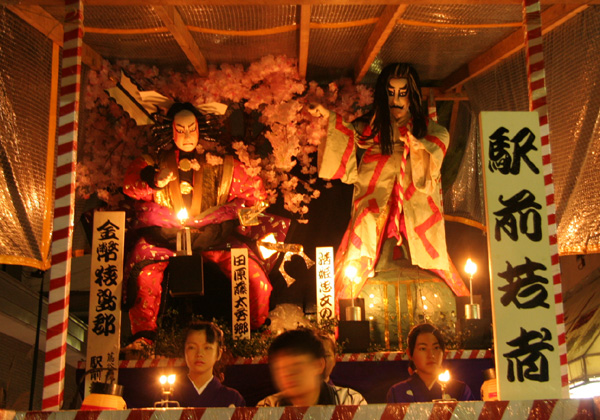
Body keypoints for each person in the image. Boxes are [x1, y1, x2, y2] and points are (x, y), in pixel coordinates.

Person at [122, 102, 287, 349]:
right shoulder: (153, 162)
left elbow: (257, 193)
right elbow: (130, 185)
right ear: (170, 130)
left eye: (192, 129)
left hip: (214, 234)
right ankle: (143, 337)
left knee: (252, 273)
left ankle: (254, 333)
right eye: (180, 130)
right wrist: (153, 180)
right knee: (143, 275)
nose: (187, 136)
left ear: (200, 129)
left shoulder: (222, 163)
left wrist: (240, 215)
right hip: (164, 235)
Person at [310, 63, 467, 301]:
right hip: (376, 191)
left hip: (414, 198)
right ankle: (341, 304)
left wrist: (419, 147)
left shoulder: (427, 129)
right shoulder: (374, 127)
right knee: (363, 234)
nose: (396, 100)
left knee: (430, 247)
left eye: (402, 94)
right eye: (391, 93)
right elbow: (349, 131)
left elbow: (438, 144)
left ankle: (462, 298)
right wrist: (327, 115)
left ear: (412, 96)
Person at [257, 328, 366, 407]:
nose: (288, 374)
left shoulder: (349, 402)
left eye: (296, 366)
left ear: (319, 365)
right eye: (280, 369)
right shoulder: (268, 407)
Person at [386, 323, 474, 402]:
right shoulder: (398, 392)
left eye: (436, 348)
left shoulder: (459, 390)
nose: (431, 355)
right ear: (410, 353)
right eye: (423, 349)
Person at [173, 321, 245, 407]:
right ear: (184, 352)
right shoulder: (169, 396)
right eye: (192, 347)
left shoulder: (232, 398)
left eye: (207, 348)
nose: (199, 354)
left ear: (219, 354)